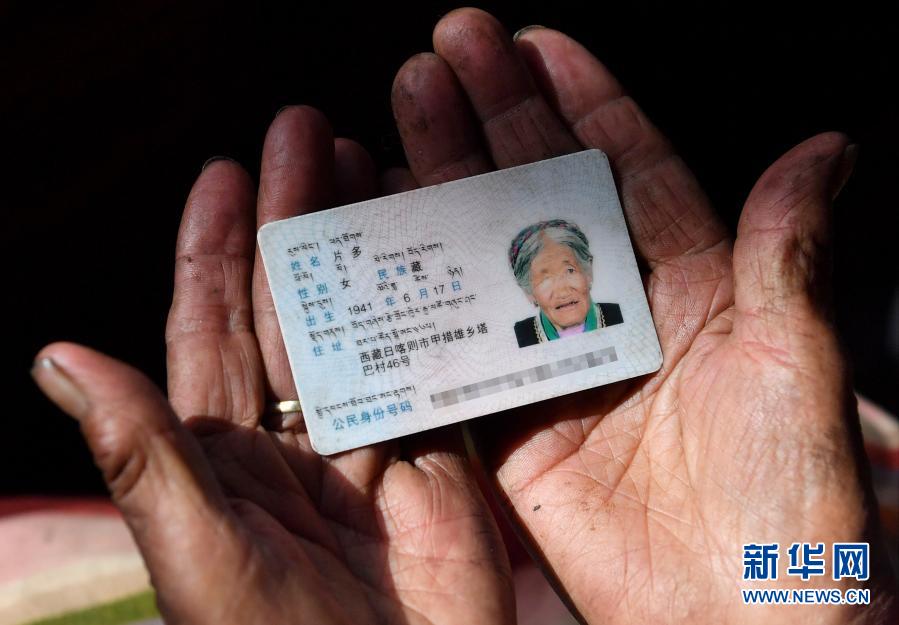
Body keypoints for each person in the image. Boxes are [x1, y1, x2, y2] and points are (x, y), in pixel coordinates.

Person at [30, 8, 897, 625]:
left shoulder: (625, 330)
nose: (561, 283)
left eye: (571, 265)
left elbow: (827, 587)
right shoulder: (524, 338)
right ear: (524, 288)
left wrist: (803, 603)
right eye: (544, 272)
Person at [509, 219, 622, 347]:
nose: (563, 292)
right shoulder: (518, 338)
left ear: (588, 272)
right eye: (545, 279)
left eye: (570, 271)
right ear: (528, 292)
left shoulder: (619, 315)